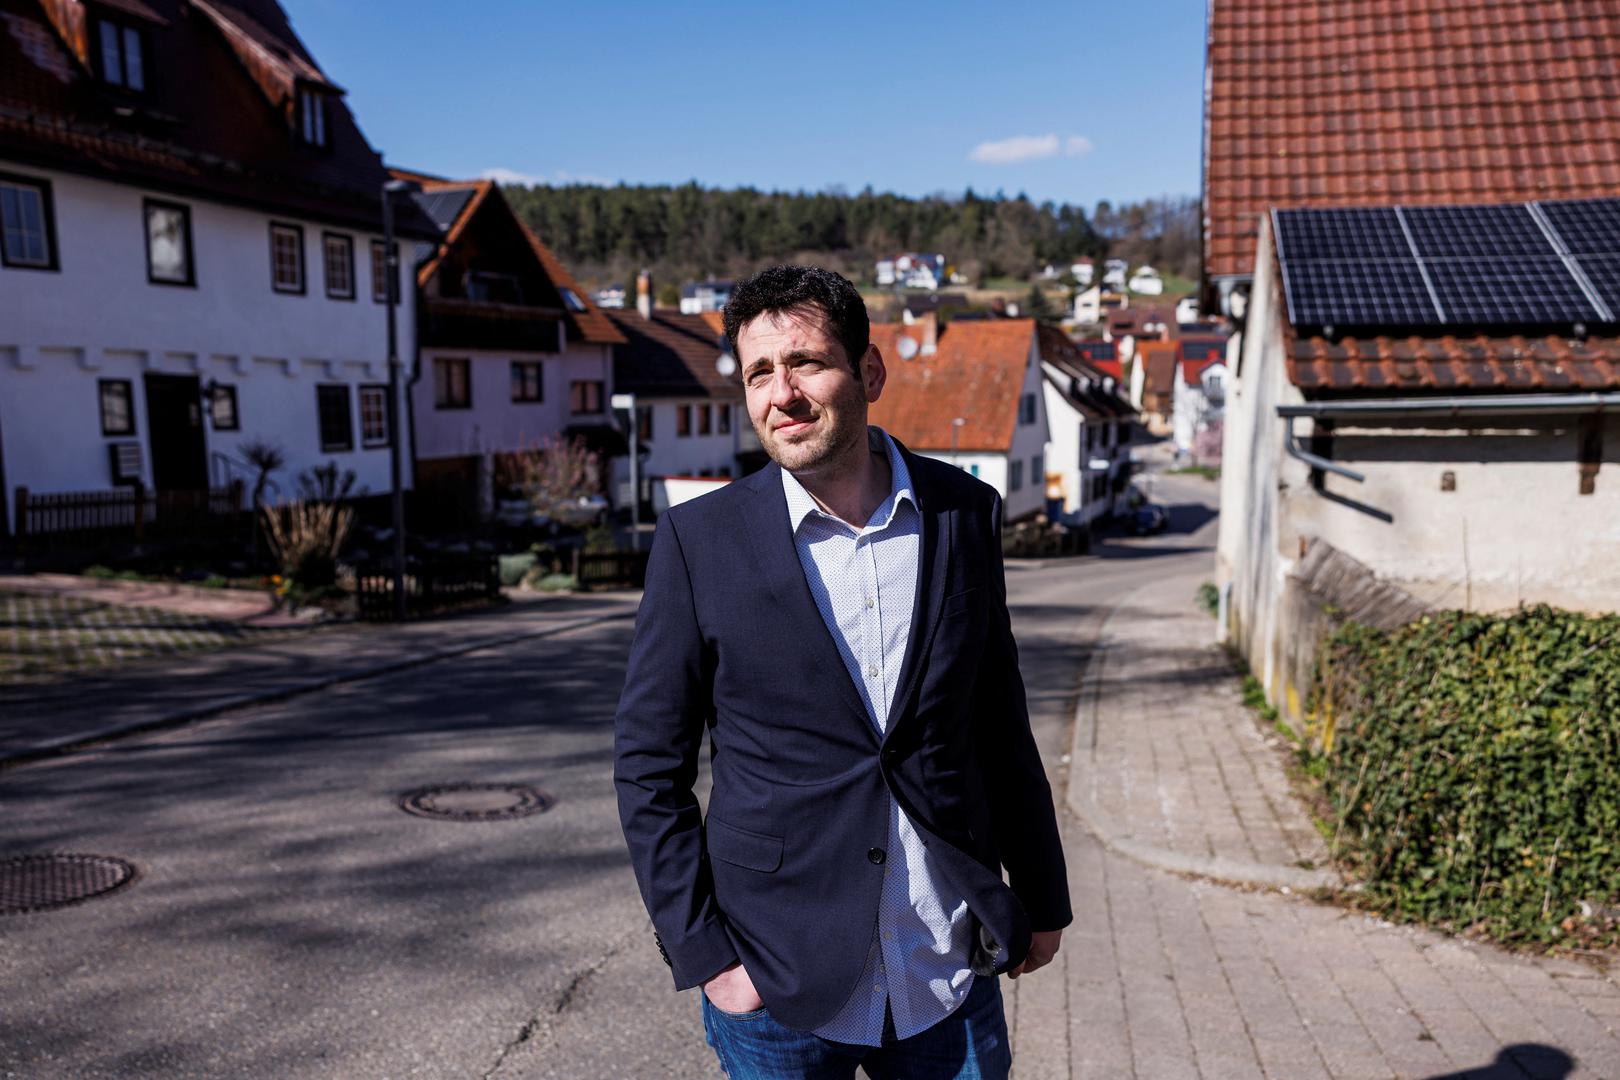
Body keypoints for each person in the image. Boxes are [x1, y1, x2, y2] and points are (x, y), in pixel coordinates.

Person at [614, 265, 1071, 1078]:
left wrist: (1039, 891)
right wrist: (708, 956)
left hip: (945, 967)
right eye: (760, 372)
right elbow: (649, 766)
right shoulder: (699, 543)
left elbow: (998, 720)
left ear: (868, 372)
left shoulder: (963, 512)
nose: (782, 393)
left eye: (806, 363)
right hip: (777, 980)